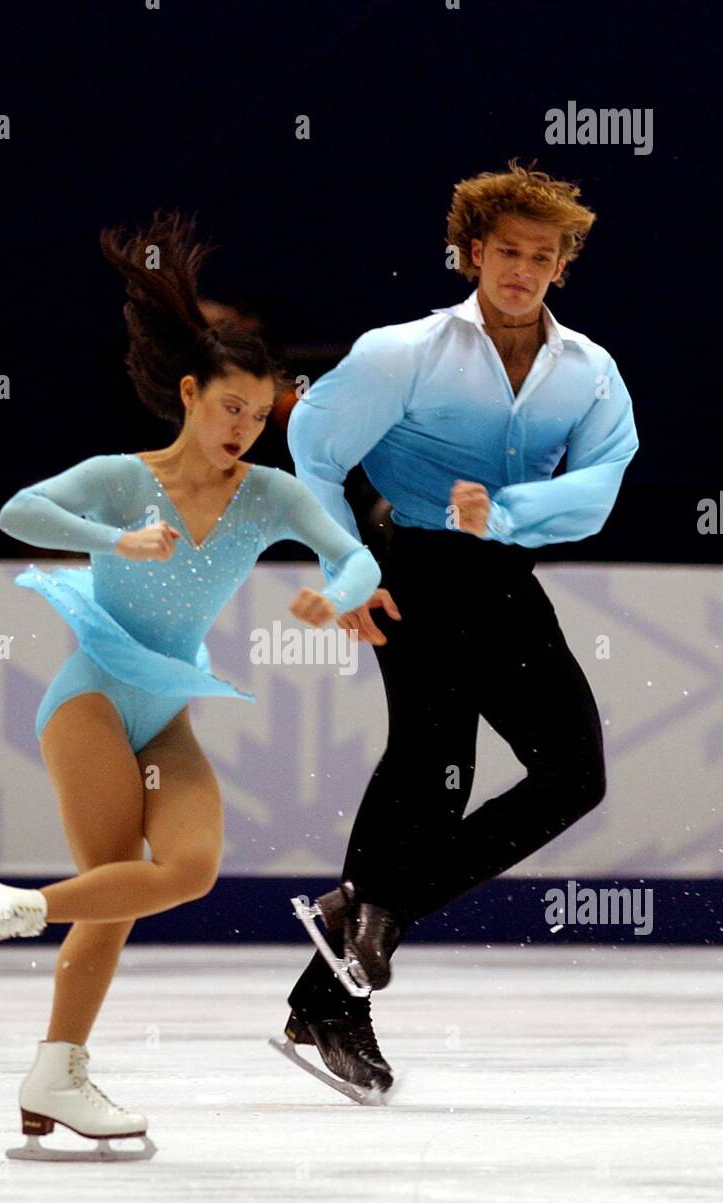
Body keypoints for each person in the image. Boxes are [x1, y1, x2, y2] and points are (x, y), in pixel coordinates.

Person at [0, 210, 381, 1156]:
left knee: (187, 871)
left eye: (258, 413)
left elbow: (355, 556)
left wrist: (338, 595)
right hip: (89, 699)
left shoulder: (271, 496)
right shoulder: (123, 480)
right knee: (116, 896)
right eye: (228, 408)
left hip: (166, 713)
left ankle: (3, 921)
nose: (243, 429)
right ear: (189, 395)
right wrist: (110, 538)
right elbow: (14, 509)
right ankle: (59, 1066)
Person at [280, 158, 639, 1099]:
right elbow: (312, 449)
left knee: (574, 774)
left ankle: (372, 920)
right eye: (505, 251)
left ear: (563, 265)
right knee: (432, 766)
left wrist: (513, 515)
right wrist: (346, 567)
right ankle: (339, 997)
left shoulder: (589, 372)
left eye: (541, 255)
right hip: (413, 570)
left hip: (499, 574)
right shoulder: (405, 353)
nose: (521, 269)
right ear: (473, 253)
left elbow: (600, 489)